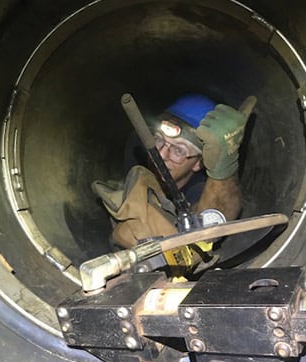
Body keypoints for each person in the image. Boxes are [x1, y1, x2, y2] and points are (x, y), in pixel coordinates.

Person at [92, 93, 254, 249]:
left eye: (178, 151)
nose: (161, 154)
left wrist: (224, 168)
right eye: (159, 140)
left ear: (198, 163)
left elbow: (208, 226)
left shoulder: (199, 192)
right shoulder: (135, 149)